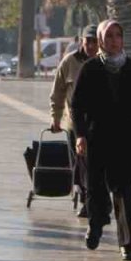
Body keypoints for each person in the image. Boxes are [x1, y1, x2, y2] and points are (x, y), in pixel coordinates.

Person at [70, 20, 131, 261]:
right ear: (100, 40)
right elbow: (76, 106)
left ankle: (127, 244)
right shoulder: (90, 69)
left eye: (118, 36)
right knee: (96, 189)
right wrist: (80, 134)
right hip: (97, 140)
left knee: (125, 193)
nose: (114, 40)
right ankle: (96, 226)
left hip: (128, 142)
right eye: (109, 36)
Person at [49, 24, 99, 217]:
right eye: (88, 41)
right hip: (75, 124)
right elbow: (58, 92)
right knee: (82, 163)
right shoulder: (69, 62)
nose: (92, 46)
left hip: (100, 124)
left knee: (97, 164)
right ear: (81, 41)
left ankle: (97, 198)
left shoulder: (106, 62)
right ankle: (87, 199)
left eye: (95, 42)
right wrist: (55, 118)